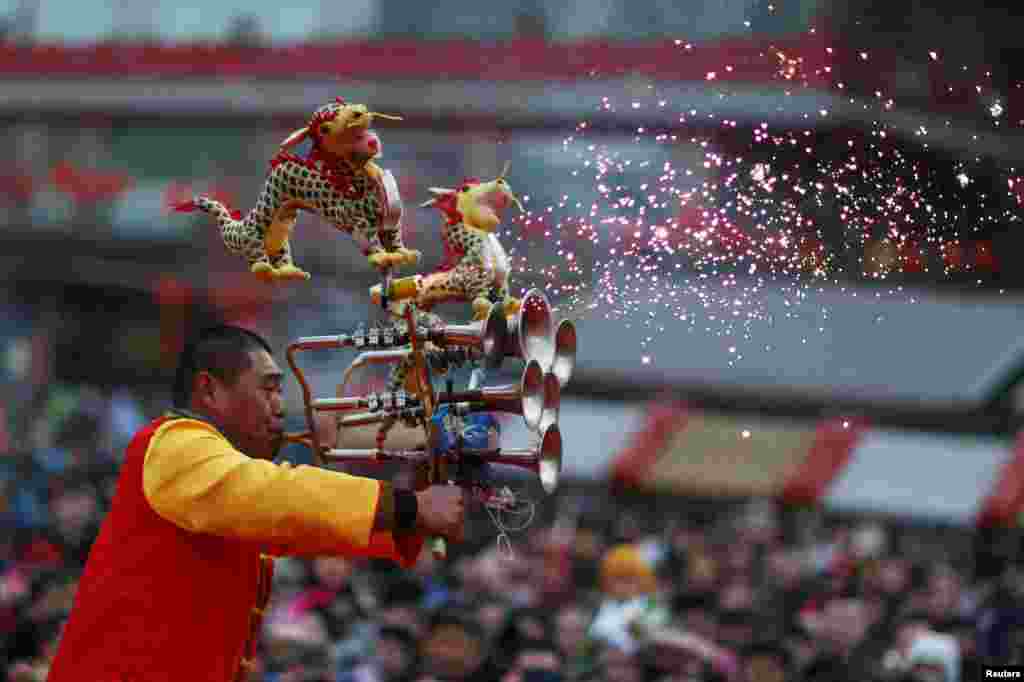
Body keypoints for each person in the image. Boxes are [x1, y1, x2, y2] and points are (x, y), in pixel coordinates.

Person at [46, 325, 466, 682]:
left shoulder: (226, 479)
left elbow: (312, 524)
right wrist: (413, 507)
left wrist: (423, 488)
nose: (281, 407)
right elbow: (281, 496)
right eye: (268, 388)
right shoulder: (174, 442)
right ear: (208, 390)